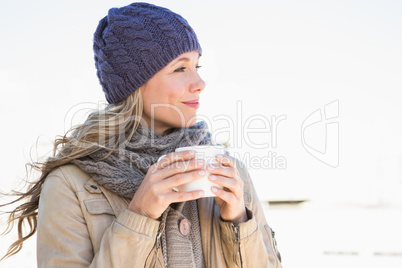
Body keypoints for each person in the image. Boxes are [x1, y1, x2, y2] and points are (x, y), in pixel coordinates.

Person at [1, 2, 282, 267]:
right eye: (180, 68)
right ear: (134, 85)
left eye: (197, 66)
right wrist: (139, 217)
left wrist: (238, 222)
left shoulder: (229, 172)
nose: (200, 83)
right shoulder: (69, 185)